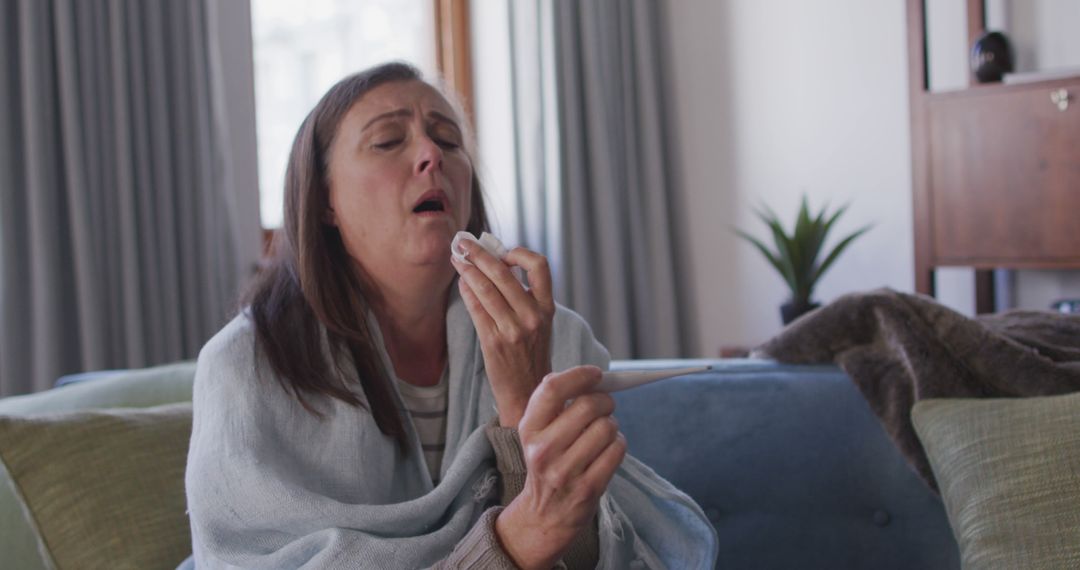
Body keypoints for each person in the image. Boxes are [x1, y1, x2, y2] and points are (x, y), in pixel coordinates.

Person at [184, 62, 717, 569]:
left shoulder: (550, 338)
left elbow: (586, 560)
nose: (431, 155)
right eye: (389, 140)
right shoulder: (247, 365)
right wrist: (514, 541)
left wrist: (523, 406)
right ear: (325, 201)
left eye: (449, 140)